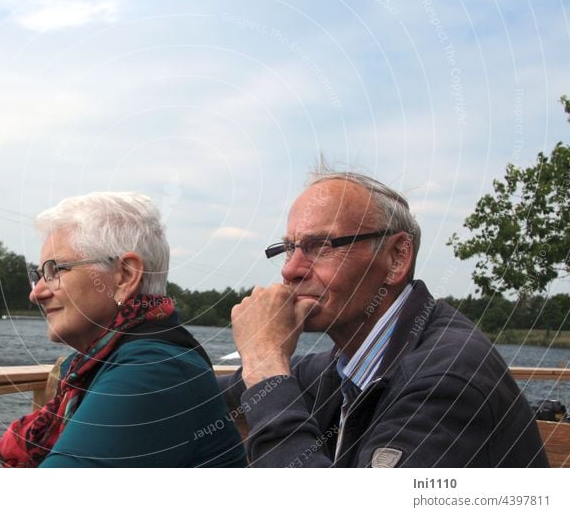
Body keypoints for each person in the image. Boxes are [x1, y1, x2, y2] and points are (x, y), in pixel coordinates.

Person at [220, 170, 548, 467]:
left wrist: (265, 361)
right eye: (290, 248)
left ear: (396, 257)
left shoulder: (447, 377)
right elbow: (212, 392)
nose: (289, 270)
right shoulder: (349, 364)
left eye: (321, 246)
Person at [0, 192, 246, 468]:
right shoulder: (98, 364)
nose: (37, 294)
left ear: (125, 275)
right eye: (39, 276)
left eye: (55, 270)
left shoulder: (155, 370)